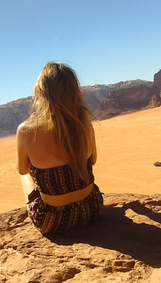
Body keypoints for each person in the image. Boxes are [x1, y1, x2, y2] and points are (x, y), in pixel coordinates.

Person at [16, 62, 104, 234]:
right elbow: (92, 159)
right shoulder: (84, 120)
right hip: (92, 209)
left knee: (25, 173)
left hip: (52, 221)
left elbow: (22, 169)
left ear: (40, 92)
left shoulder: (25, 130)